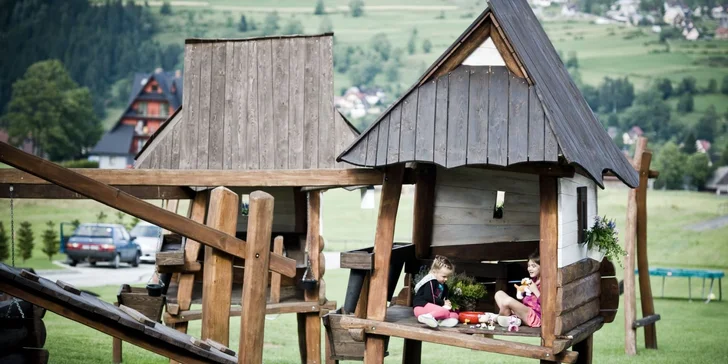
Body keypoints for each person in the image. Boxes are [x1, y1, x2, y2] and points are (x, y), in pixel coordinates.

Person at [493, 251, 541, 328]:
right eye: (528, 266)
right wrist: (522, 293)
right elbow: (527, 300)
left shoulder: (546, 284)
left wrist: (535, 290)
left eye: (533, 266)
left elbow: (547, 305)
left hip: (535, 317)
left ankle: (499, 318)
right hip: (525, 312)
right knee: (499, 294)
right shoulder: (533, 281)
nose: (529, 269)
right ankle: (513, 319)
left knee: (508, 301)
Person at [412, 255, 460, 328]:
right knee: (444, 312)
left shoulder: (444, 286)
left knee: (454, 315)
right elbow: (429, 297)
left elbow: (443, 299)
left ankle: (440, 322)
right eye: (444, 276)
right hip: (421, 307)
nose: (446, 279)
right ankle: (426, 317)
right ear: (434, 272)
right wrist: (443, 303)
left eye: (447, 277)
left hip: (435, 310)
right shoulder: (431, 281)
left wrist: (447, 305)